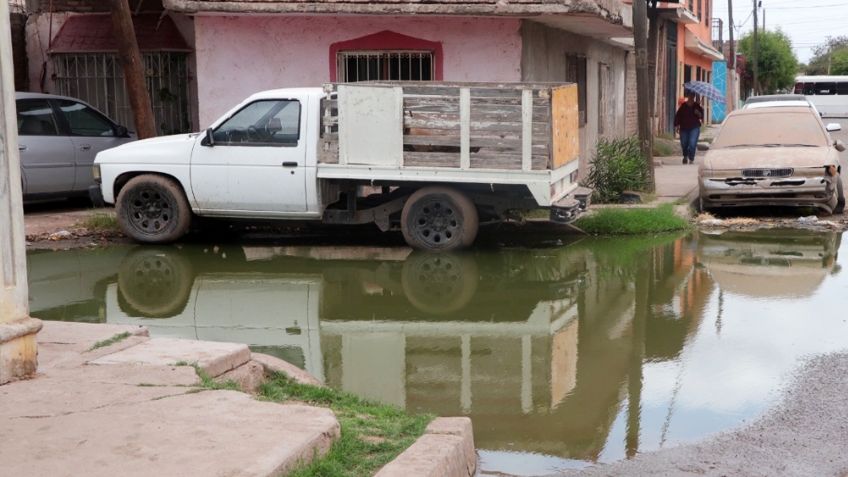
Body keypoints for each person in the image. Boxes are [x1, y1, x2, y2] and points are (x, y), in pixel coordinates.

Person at [674, 94, 704, 164]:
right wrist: (677, 125)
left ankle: (691, 158)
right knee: (684, 143)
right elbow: (678, 116)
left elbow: (701, 116)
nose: (691, 97)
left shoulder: (697, 106)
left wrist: (698, 113)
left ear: (694, 97)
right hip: (684, 128)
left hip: (694, 127)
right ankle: (685, 156)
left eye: (692, 96)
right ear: (688, 97)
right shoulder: (683, 106)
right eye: (690, 96)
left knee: (692, 143)